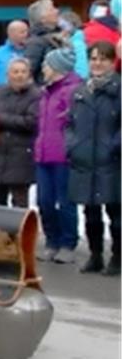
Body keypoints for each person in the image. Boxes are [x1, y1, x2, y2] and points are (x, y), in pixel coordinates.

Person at [67, 42, 120, 275]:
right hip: (84, 161)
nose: (97, 63)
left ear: (112, 62)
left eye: (103, 59)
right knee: (90, 214)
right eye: (94, 59)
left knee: (116, 214)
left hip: (112, 160)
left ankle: (118, 257)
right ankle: (95, 255)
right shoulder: (80, 91)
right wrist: (72, 145)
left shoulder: (118, 89)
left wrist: (113, 146)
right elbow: (69, 123)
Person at [34, 43, 83, 263]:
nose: (43, 68)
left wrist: (70, 147)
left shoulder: (73, 91)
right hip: (43, 154)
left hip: (64, 156)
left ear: (57, 67)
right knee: (44, 200)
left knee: (65, 201)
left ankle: (68, 243)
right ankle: (51, 240)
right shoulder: (46, 91)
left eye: (47, 64)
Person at [0, 57, 40, 208]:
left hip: (21, 158)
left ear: (29, 74)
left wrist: (0, 118)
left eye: (23, 72)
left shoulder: (36, 95)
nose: (19, 75)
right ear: (8, 74)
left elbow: (31, 122)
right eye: (15, 72)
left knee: (20, 206)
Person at [22, 0, 62, 83]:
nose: (57, 11)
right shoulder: (35, 43)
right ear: (42, 18)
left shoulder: (59, 37)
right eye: (52, 9)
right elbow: (27, 72)